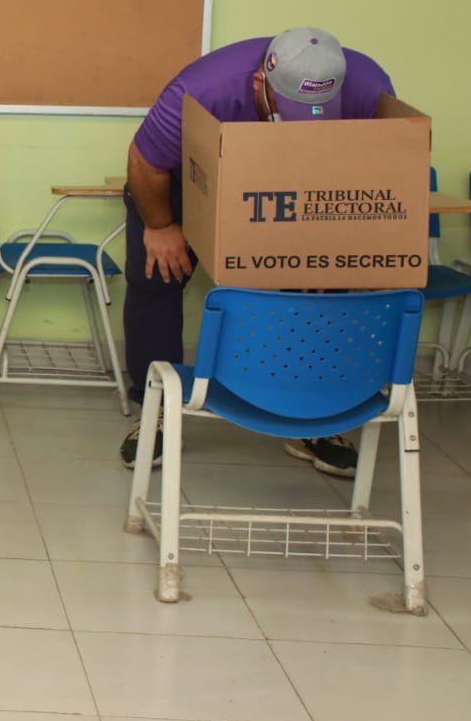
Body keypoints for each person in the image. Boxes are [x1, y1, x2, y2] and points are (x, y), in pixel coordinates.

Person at [119, 27, 396, 477]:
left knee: (320, 287)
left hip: (300, 185)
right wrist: (160, 225)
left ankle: (310, 418)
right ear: (259, 85)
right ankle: (156, 412)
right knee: (157, 276)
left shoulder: (370, 87)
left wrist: (328, 247)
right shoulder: (201, 89)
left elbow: (367, 172)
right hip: (192, 181)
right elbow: (146, 160)